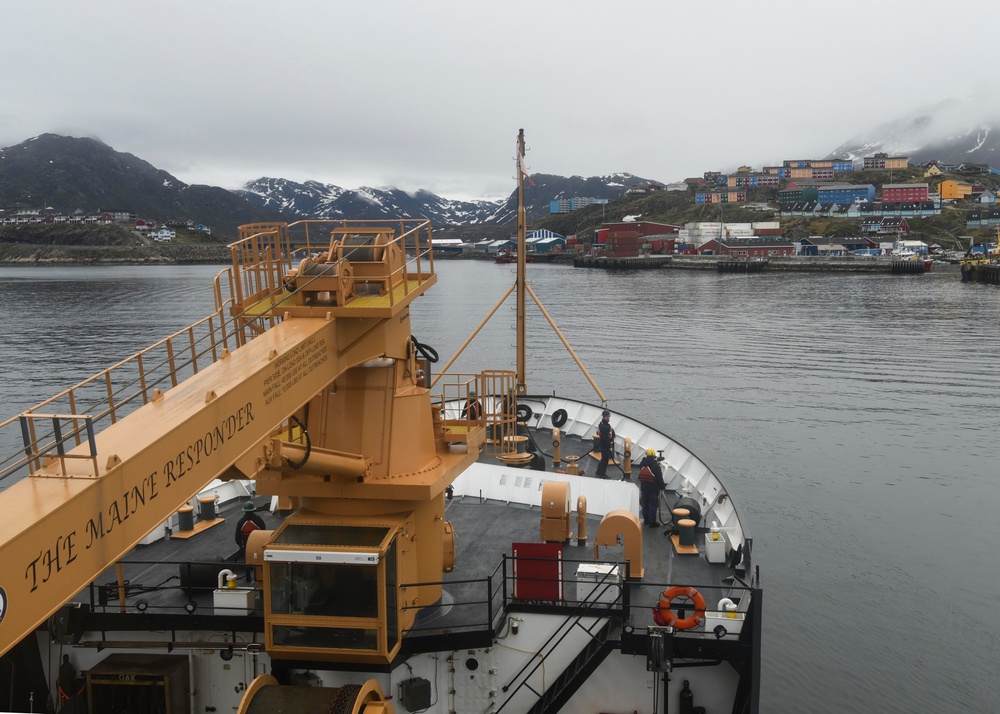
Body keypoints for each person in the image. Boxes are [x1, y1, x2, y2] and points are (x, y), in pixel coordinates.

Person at [638, 448, 666, 527]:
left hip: (644, 487)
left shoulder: (642, 464)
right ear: (654, 456)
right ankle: (652, 522)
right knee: (652, 505)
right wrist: (662, 487)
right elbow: (659, 478)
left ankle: (646, 520)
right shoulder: (655, 466)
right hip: (653, 488)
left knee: (645, 504)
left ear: (646, 455)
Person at [595, 409, 616, 478]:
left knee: (603, 459)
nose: (608, 418)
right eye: (607, 416)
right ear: (603, 417)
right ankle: (602, 473)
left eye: (608, 416)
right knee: (605, 459)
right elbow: (605, 438)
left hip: (604, 444)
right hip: (605, 445)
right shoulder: (603, 426)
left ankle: (599, 471)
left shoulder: (604, 424)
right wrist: (609, 446)